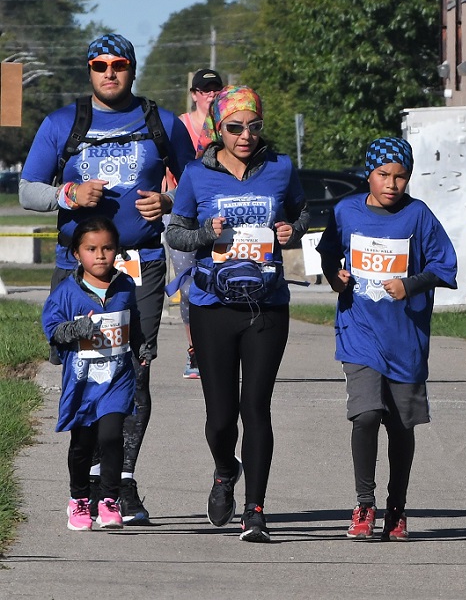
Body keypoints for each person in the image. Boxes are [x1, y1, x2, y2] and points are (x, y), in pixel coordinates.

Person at [20, 33, 196, 524]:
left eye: (119, 64)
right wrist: (68, 194)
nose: (110, 72)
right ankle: (87, 483)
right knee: (86, 366)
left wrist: (169, 201)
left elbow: (198, 183)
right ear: (90, 70)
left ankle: (120, 484)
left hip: (140, 264)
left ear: (132, 69)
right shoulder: (63, 122)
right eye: (100, 65)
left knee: (135, 367)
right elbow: (28, 190)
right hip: (77, 268)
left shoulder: (162, 122)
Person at [165, 85, 309, 543]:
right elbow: (176, 234)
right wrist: (205, 234)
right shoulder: (196, 174)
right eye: (235, 127)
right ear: (217, 128)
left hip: (267, 305)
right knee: (221, 417)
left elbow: (302, 213)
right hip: (213, 307)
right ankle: (225, 470)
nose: (245, 135)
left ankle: (255, 511)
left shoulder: (280, 167)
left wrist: (291, 230)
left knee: (256, 408)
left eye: (254, 126)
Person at [316, 137, 458, 542]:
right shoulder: (346, 211)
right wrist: (335, 277)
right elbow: (328, 254)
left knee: (400, 425)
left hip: (404, 337)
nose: (392, 184)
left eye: (400, 177)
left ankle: (397, 508)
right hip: (358, 330)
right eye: (383, 175)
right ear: (369, 174)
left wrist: (410, 285)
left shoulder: (418, 215)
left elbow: (445, 266)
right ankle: (364, 504)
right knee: (365, 415)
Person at [41, 216, 146, 531]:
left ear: (117, 250)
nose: (100, 255)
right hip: (83, 382)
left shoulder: (125, 284)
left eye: (108, 248)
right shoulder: (66, 291)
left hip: (117, 378)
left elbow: (133, 320)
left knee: (112, 436)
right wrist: (77, 329)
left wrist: (142, 347)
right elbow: (52, 329)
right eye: (91, 249)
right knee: (83, 444)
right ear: (76, 253)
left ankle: (109, 500)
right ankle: (79, 499)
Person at [166, 68, 224, 379]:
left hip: (219, 212)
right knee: (188, 285)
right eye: (204, 90)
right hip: (184, 211)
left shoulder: (230, 124)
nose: (211, 94)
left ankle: (222, 348)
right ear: (194, 94)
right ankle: (194, 350)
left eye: (216, 89)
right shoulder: (180, 125)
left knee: (222, 279)